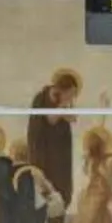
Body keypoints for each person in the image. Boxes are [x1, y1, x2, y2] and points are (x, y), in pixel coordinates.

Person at [26, 68, 81, 202]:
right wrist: (62, 107)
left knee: (62, 187)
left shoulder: (64, 101)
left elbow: (73, 119)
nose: (72, 97)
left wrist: (66, 108)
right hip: (43, 150)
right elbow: (49, 120)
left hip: (60, 151)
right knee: (45, 186)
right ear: (62, 89)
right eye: (71, 93)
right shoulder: (42, 98)